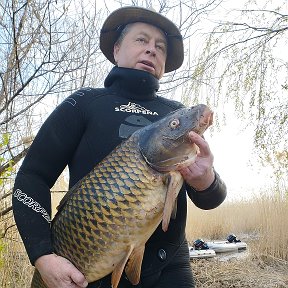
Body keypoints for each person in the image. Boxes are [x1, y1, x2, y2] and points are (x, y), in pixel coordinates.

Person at [12, 6, 227, 288]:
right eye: (142, 40)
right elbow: (32, 177)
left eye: (160, 47)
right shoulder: (84, 104)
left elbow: (211, 199)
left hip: (170, 268)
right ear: (116, 49)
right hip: (83, 263)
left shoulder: (175, 113)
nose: (152, 50)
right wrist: (42, 256)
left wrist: (206, 181)